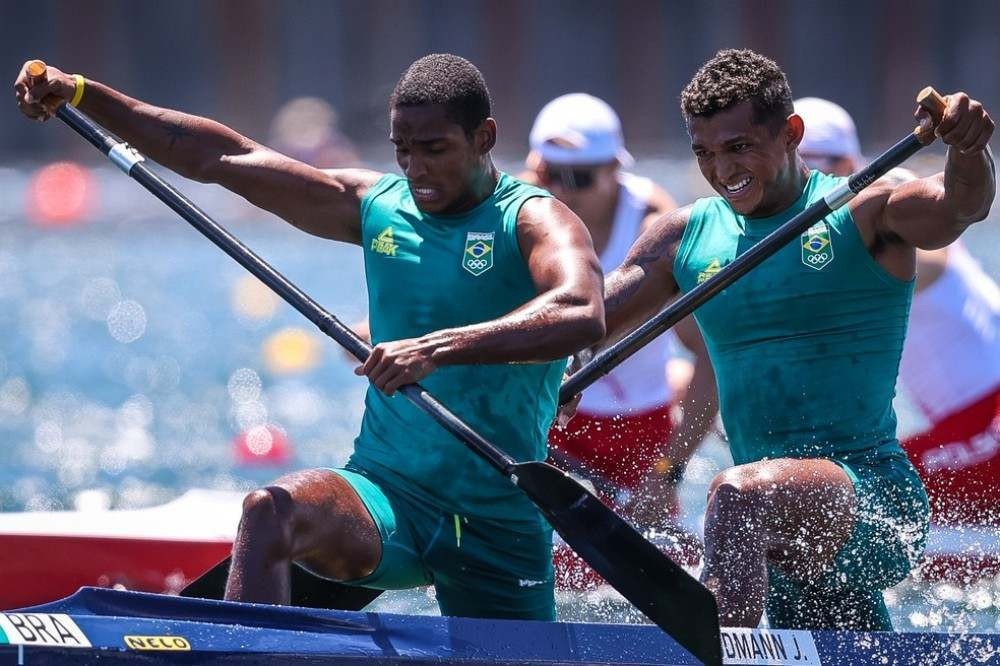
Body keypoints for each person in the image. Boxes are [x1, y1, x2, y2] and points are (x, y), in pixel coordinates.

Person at [15, 53, 606, 620]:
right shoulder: (375, 206)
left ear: (485, 137)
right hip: (389, 498)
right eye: (403, 150)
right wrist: (84, 95)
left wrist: (436, 348)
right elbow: (219, 156)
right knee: (270, 512)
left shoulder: (531, 219)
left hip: (497, 518)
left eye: (435, 149)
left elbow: (581, 308)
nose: (417, 169)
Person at [590, 49, 994, 630]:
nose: (723, 171)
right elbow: (588, 316)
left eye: (739, 147)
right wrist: (486, 353)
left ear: (791, 134)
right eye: (704, 153)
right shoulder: (685, 236)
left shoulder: (864, 212)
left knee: (734, 497)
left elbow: (963, 205)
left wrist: (968, 147)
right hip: (765, 538)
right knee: (837, 634)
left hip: (874, 505)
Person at [795, 96, 1000, 528]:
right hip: (966, 426)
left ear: (853, 161)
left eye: (819, 164)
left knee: (860, 494)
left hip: (990, 420)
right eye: (796, 165)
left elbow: (925, 257)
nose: (808, 179)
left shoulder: (894, 215)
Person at [521, 93, 717, 529]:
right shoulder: (517, 211)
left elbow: (711, 358)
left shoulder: (654, 229)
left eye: (577, 177)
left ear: (616, 169)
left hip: (637, 429)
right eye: (547, 173)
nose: (558, 189)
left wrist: (669, 471)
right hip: (543, 420)